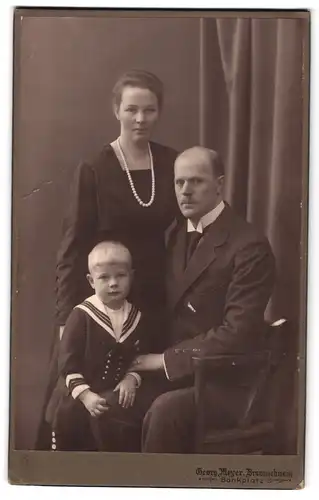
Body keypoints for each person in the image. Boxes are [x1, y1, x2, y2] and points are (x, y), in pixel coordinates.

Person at [36, 70, 178, 449]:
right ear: (116, 110)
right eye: (131, 109)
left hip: (151, 294)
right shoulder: (95, 167)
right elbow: (70, 246)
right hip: (103, 293)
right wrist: (67, 317)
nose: (140, 119)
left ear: (159, 112)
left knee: (137, 395)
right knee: (81, 401)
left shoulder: (170, 162)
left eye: (149, 110)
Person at [130, 146, 276, 453]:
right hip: (179, 378)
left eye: (196, 182)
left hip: (225, 382)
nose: (185, 191)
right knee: (106, 406)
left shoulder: (248, 246)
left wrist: (165, 360)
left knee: (165, 412)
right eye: (179, 182)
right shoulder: (175, 234)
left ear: (219, 185)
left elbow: (238, 333)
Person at [45, 241, 160, 451]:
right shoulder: (82, 315)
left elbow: (139, 357)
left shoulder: (137, 317)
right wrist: (86, 396)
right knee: (73, 454)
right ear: (91, 281)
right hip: (76, 400)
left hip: (109, 405)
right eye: (104, 278)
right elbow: (67, 365)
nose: (113, 283)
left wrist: (130, 378)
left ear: (131, 276)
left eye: (120, 276)